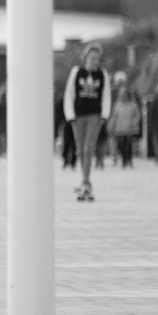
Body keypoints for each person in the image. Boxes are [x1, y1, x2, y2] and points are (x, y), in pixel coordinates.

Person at [62, 44, 110, 201]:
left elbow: (106, 96)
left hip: (94, 116)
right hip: (78, 116)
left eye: (97, 59)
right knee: (80, 149)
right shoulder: (77, 72)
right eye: (92, 58)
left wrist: (104, 115)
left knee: (88, 148)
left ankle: (85, 181)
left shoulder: (102, 75)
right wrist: (70, 116)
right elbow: (69, 94)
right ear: (85, 58)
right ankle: (84, 178)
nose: (95, 61)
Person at [108, 72, 144, 168]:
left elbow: (137, 114)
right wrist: (111, 125)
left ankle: (129, 159)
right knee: (121, 145)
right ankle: (122, 160)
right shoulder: (117, 102)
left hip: (130, 128)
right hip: (119, 128)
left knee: (129, 145)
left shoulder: (132, 103)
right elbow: (114, 115)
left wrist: (134, 123)